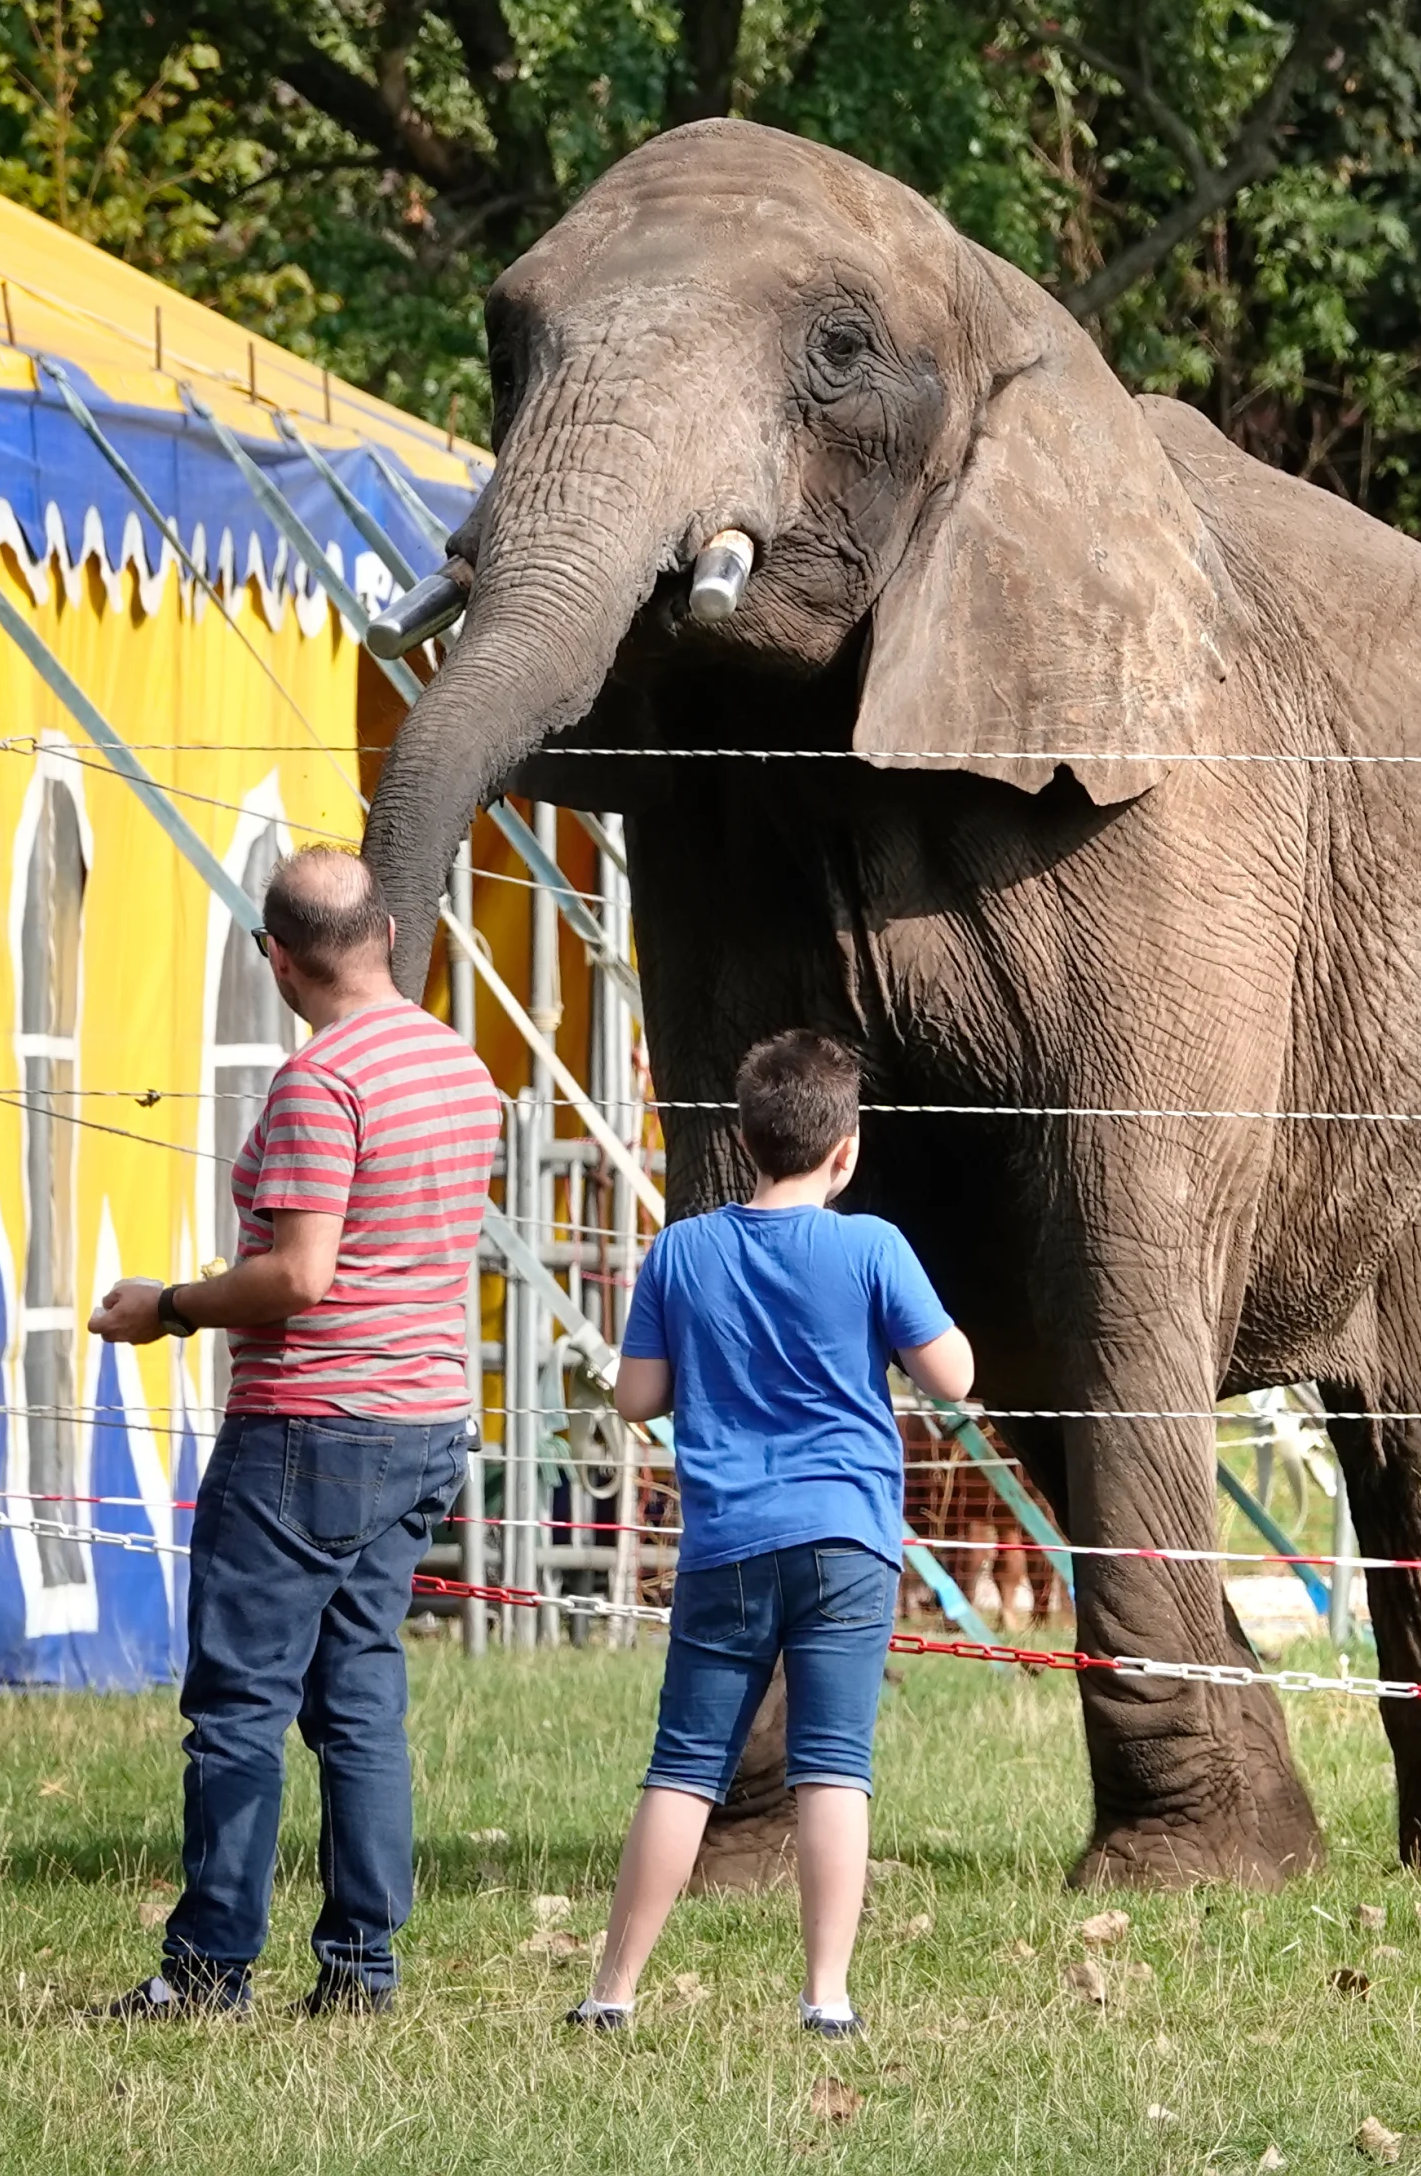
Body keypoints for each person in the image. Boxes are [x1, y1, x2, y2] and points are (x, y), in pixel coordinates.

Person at [89, 846, 496, 2019]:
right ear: (384, 934)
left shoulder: (321, 1082)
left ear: (277, 957)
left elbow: (302, 1274)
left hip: (310, 1427)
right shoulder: (458, 1064)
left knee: (238, 1707)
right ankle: (361, 1967)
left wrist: (169, 1307)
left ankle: (209, 1967)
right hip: (424, 1419)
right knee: (361, 1697)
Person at [570, 1028, 974, 2039]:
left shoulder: (682, 1249)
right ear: (848, 1149)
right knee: (833, 1764)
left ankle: (612, 1990)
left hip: (728, 1542)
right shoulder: (872, 1246)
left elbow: (636, 1397)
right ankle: (826, 1996)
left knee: (683, 1765)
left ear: (743, 1140)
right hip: (848, 1540)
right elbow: (952, 1376)